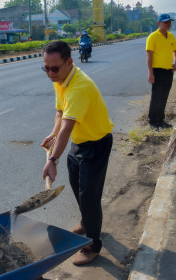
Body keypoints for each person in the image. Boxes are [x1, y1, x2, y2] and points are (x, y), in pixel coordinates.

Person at [40, 41, 114, 265]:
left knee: (89, 194)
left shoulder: (79, 87)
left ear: (69, 62)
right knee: (76, 184)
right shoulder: (61, 79)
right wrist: (53, 134)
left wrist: (52, 159)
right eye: (46, 68)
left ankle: (93, 245)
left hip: (96, 144)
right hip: (79, 143)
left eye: (55, 68)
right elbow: (60, 112)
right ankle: (88, 220)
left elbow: (68, 127)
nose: (50, 73)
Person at [146, 13, 176, 130]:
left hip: (169, 71)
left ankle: (160, 120)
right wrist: (150, 72)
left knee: (164, 95)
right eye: (165, 22)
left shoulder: (171, 37)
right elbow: (149, 55)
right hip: (157, 71)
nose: (168, 24)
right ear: (159, 23)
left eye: (169, 22)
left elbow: (175, 51)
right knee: (156, 96)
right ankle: (153, 121)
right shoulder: (152, 37)